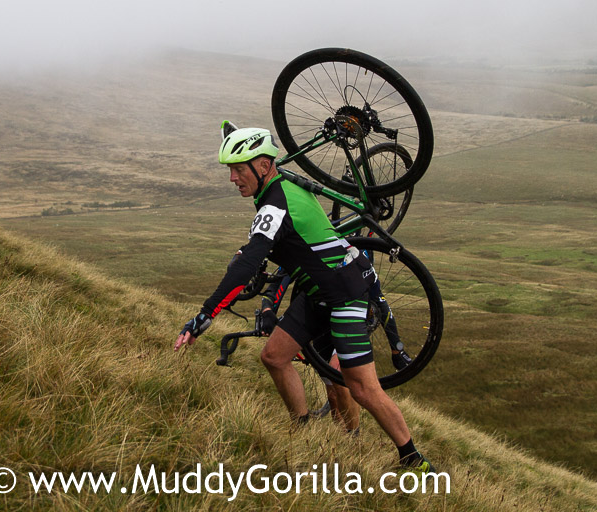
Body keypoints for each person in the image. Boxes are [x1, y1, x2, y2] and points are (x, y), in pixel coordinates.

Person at [173, 123, 434, 473]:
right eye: (230, 170)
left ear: (263, 165)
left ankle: (414, 459)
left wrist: (203, 318)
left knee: (362, 389)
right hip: (317, 294)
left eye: (238, 170)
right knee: (274, 356)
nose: (233, 178)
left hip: (344, 295)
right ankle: (302, 429)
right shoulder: (281, 184)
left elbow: (246, 266)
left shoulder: (275, 204)